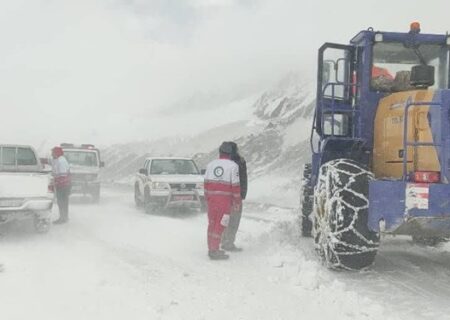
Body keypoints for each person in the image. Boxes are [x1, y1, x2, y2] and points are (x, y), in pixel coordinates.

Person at [204, 142, 241, 260]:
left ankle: (211, 248)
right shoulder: (233, 166)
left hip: (211, 200)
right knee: (220, 225)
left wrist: (207, 198)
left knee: (211, 224)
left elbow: (205, 183)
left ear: (220, 152)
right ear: (230, 153)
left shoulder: (210, 165)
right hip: (224, 201)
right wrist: (237, 202)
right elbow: (235, 186)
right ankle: (215, 251)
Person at [221, 142, 247, 252]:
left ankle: (223, 240)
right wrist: (242, 194)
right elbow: (243, 179)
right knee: (234, 220)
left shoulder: (220, 162)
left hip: (222, 196)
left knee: (224, 219)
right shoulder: (240, 161)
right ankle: (228, 243)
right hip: (235, 196)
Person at [51, 147, 71, 224]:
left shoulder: (61, 161)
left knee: (62, 202)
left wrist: (56, 182)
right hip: (64, 185)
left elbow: (63, 175)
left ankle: (63, 218)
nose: (51, 154)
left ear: (56, 153)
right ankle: (64, 217)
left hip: (63, 185)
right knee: (63, 202)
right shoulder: (59, 160)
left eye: (53, 152)